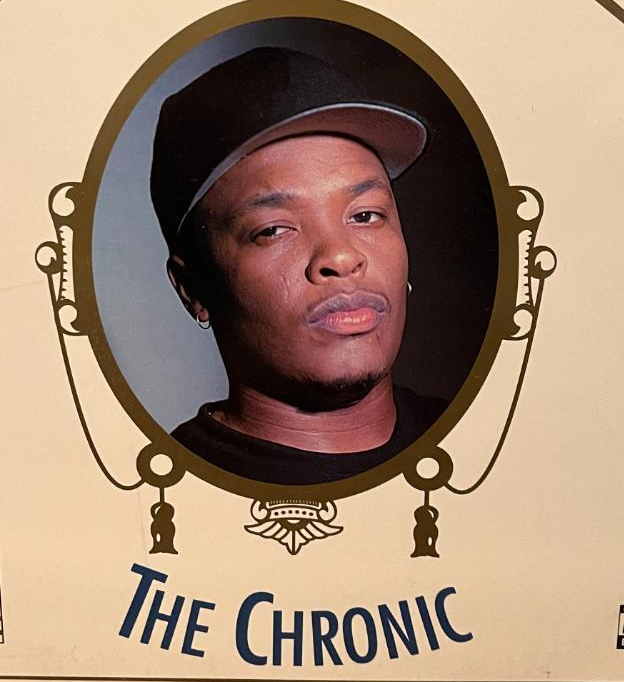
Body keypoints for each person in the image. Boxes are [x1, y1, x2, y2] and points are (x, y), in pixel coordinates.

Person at [149, 46, 446, 484]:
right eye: (274, 229)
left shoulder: (497, 447)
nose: (341, 257)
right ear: (193, 288)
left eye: (365, 215)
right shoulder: (163, 493)